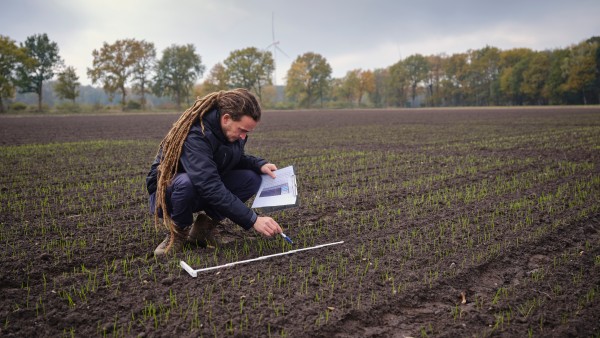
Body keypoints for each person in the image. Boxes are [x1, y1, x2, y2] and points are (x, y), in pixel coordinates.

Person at [146, 88, 283, 255]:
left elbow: (230, 157)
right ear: (226, 119)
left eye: (247, 132)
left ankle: (203, 230)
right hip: (168, 194)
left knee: (251, 178)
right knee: (186, 183)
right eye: (242, 130)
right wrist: (252, 219)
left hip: (199, 188)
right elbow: (209, 185)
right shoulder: (196, 135)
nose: (243, 137)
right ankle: (178, 233)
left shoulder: (230, 132)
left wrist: (258, 165)